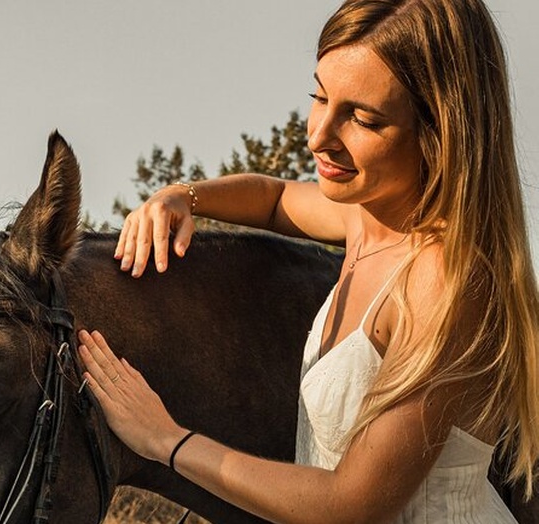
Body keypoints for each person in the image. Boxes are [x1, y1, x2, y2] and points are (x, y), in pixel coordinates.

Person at [77, 0, 539, 521]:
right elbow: (274, 200)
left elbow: (351, 505)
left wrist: (167, 440)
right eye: (319, 97)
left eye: (361, 117)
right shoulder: (364, 220)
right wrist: (182, 196)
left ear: (443, 131)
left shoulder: (443, 280)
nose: (319, 136)